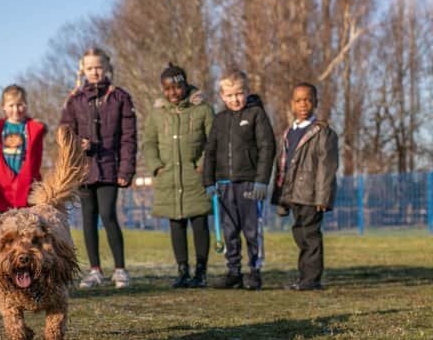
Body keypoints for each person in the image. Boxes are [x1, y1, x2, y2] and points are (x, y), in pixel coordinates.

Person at [59, 47, 137, 289]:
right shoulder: (75, 99)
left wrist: (126, 170)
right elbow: (65, 132)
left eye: (99, 67)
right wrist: (77, 144)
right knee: (88, 219)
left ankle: (120, 269)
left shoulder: (120, 98)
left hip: (110, 168)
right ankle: (94, 270)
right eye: (90, 68)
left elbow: (128, 137)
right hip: (83, 170)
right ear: (84, 69)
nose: (95, 72)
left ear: (107, 68)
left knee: (108, 215)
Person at [143, 63, 215, 288]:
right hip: (169, 177)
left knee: (200, 222)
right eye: (167, 89)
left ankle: (201, 272)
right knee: (176, 224)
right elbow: (149, 143)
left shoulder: (202, 109)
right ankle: (182, 270)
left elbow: (213, 140)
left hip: (195, 177)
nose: (173, 93)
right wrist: (157, 167)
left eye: (177, 87)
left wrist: (202, 165)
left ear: (185, 85)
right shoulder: (157, 114)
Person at [203, 69, 276, 290]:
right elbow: (211, 152)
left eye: (240, 93)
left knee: (252, 229)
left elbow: (267, 147)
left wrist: (262, 180)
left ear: (247, 92)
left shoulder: (256, 115)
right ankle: (233, 271)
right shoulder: (219, 120)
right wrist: (208, 182)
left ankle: (254, 271)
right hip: (224, 185)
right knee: (229, 230)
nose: (235, 99)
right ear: (222, 96)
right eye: (230, 95)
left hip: (250, 184)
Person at [271, 83, 339, 291]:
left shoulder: (322, 132)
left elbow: (327, 167)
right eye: (298, 100)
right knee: (299, 235)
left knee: (310, 236)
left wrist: (323, 197)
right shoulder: (288, 133)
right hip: (293, 195)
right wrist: (279, 196)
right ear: (292, 104)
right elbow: (282, 165)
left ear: (316, 102)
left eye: (308, 99)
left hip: (311, 195)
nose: (303, 104)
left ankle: (311, 279)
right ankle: (304, 278)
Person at [0, 85, 46, 213]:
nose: (16, 109)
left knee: (27, 226)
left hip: (27, 185)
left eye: (20, 105)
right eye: (11, 105)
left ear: (26, 105)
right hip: (2, 185)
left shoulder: (32, 128)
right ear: (3, 106)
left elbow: (35, 160)